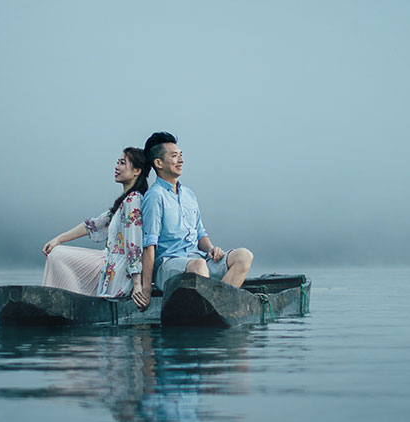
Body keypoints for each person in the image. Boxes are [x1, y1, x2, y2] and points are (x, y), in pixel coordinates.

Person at [139, 132, 253, 292]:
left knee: (244, 255)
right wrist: (145, 289)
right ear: (159, 163)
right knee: (198, 266)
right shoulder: (155, 196)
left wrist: (211, 249)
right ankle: (211, 305)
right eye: (174, 156)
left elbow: (200, 234)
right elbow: (149, 245)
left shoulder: (189, 194)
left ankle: (216, 304)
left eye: (181, 155)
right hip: (168, 265)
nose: (181, 160)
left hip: (199, 259)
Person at [42, 147, 153, 310]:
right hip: (111, 263)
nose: (116, 167)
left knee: (57, 255)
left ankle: (67, 306)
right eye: (117, 163)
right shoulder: (124, 202)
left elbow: (134, 245)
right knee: (57, 252)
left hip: (121, 269)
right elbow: (94, 225)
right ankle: (71, 305)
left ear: (137, 170)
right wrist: (58, 239)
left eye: (122, 163)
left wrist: (138, 284)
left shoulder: (133, 201)